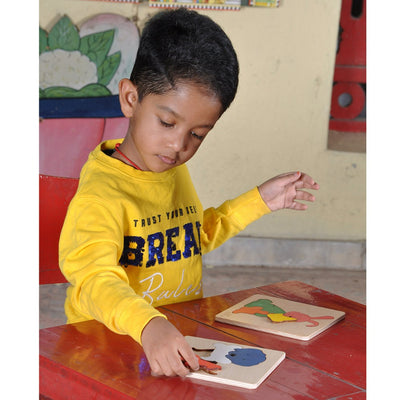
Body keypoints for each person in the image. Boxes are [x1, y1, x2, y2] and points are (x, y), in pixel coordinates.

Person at [59, 8, 319, 378]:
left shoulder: (169, 166)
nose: (179, 145)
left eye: (198, 134)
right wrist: (149, 325)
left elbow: (191, 236)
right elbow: (94, 281)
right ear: (131, 99)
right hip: (105, 349)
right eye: (167, 122)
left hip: (174, 340)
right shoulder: (100, 196)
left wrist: (260, 199)